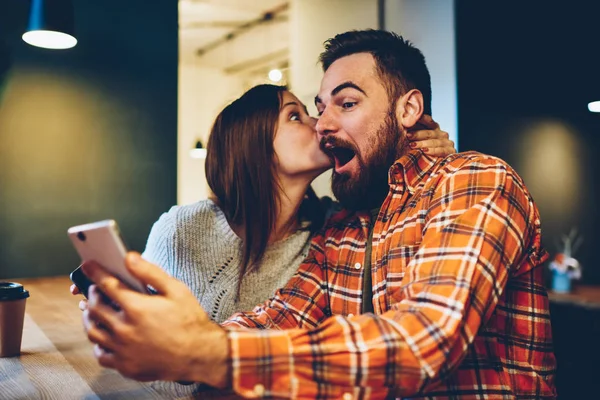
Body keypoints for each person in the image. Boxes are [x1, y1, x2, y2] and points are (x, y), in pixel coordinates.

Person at [80, 30, 556, 399]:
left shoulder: (474, 181)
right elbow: (282, 316)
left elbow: (423, 342)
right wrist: (167, 336)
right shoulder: (343, 226)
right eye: (318, 107)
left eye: (346, 104)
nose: (322, 125)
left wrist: (203, 350)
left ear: (409, 108)